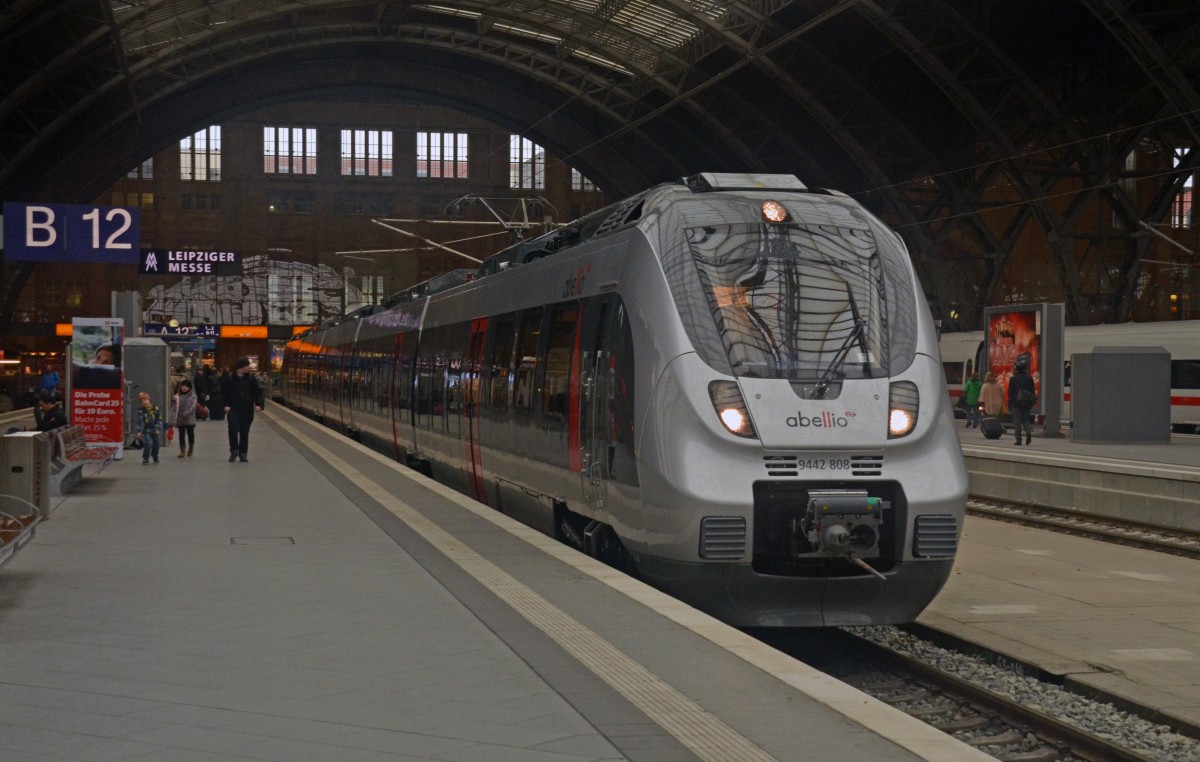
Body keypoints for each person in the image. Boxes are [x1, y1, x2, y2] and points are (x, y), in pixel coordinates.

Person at [221, 357, 263, 462]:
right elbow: (224, 392)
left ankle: (243, 453)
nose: (248, 368)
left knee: (244, 431)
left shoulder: (251, 379)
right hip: (233, 408)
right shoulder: (229, 378)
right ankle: (234, 450)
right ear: (240, 367)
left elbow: (257, 392)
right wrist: (226, 405)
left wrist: (258, 404)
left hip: (247, 409)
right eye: (246, 366)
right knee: (233, 429)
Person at [1007, 361, 1036, 446]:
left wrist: (1012, 401)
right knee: (1025, 419)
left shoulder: (1013, 379)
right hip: (1027, 403)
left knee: (1017, 421)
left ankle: (1018, 439)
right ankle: (1028, 433)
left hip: (1016, 403)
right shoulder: (1029, 378)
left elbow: (1010, 392)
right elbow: (1032, 391)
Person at [169, 380, 198, 458]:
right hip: (180, 419)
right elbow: (173, 408)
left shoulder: (193, 396)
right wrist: (172, 418)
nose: (184, 388)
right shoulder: (177, 397)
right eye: (183, 386)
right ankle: (182, 451)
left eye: (186, 386)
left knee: (190, 434)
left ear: (189, 388)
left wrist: (186, 413)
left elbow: (193, 406)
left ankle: (191, 449)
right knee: (181, 435)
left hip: (189, 419)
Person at [135, 393, 164, 464]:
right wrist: (139, 431)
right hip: (146, 430)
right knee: (149, 443)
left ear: (149, 400)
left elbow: (159, 419)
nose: (144, 402)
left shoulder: (156, 408)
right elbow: (139, 421)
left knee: (157, 444)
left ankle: (155, 456)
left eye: (145, 400)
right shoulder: (141, 411)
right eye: (141, 401)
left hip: (155, 430)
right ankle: (145, 458)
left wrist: (157, 428)